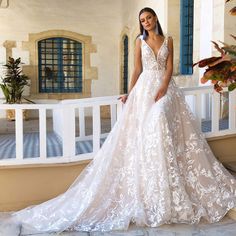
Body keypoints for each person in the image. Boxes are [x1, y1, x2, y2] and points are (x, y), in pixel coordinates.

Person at [1, 7, 236, 235]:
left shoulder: (169, 39)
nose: (146, 22)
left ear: (155, 18)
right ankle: (155, 185)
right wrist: (129, 92)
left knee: (161, 118)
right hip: (144, 90)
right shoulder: (139, 41)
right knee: (151, 128)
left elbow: (170, 67)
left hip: (165, 90)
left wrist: (164, 86)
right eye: (142, 20)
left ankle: (168, 184)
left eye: (149, 18)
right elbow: (136, 69)